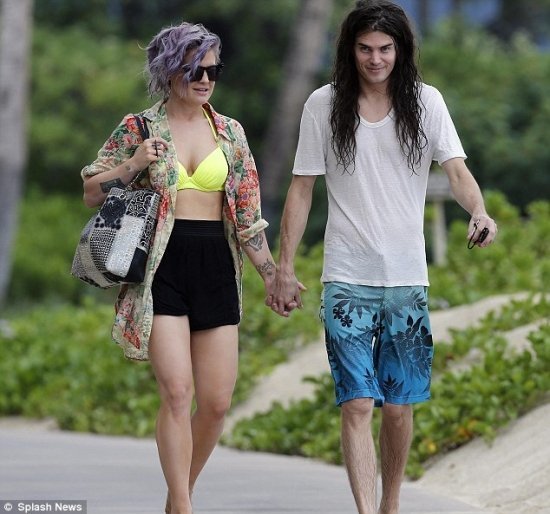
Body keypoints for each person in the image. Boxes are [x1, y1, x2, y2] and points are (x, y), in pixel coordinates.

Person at [269, 1, 497, 513]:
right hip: (346, 278)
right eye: (365, 48)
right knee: (356, 403)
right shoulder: (323, 105)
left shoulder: (427, 102)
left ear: (401, 50)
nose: (375, 59)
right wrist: (285, 267)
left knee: (398, 407)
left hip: (406, 280)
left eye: (385, 49)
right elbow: (301, 189)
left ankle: (390, 504)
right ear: (350, 50)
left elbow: (456, 170)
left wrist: (479, 211)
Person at [81, 22, 277, 514]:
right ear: (170, 72)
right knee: (176, 392)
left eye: (213, 70)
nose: (206, 79)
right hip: (160, 269)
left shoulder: (230, 132)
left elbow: (249, 218)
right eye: (195, 70)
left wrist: (274, 278)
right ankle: (186, 507)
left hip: (216, 266)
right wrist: (132, 165)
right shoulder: (139, 127)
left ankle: (175, 499)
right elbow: (90, 192)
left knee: (215, 404)